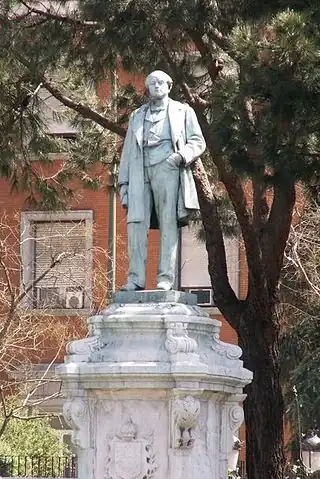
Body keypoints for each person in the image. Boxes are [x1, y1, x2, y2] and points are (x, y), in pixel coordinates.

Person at [118, 70, 206, 291]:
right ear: (147, 88)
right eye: (152, 83)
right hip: (140, 170)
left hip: (167, 167)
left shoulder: (182, 111)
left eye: (160, 82)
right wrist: (124, 185)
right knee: (136, 225)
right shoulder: (137, 115)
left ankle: (165, 278)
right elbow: (128, 151)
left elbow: (198, 141)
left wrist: (180, 157)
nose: (156, 86)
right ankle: (135, 279)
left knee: (168, 223)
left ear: (169, 85)